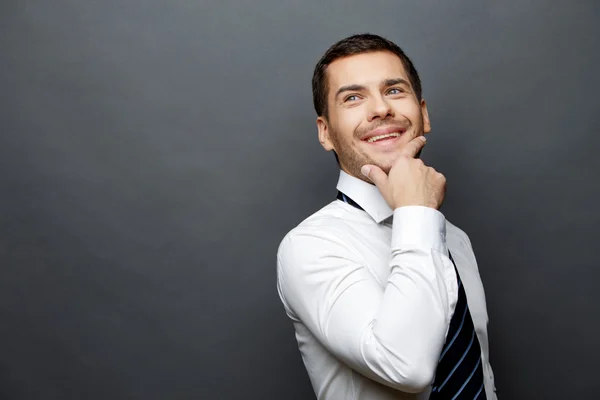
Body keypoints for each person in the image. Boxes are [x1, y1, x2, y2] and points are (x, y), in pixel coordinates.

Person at [276, 33, 498, 400]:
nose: (380, 109)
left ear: (423, 114)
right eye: (353, 97)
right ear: (325, 132)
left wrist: (419, 215)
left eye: (394, 90)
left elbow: (480, 374)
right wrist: (417, 212)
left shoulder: (453, 239)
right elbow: (406, 367)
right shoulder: (309, 246)